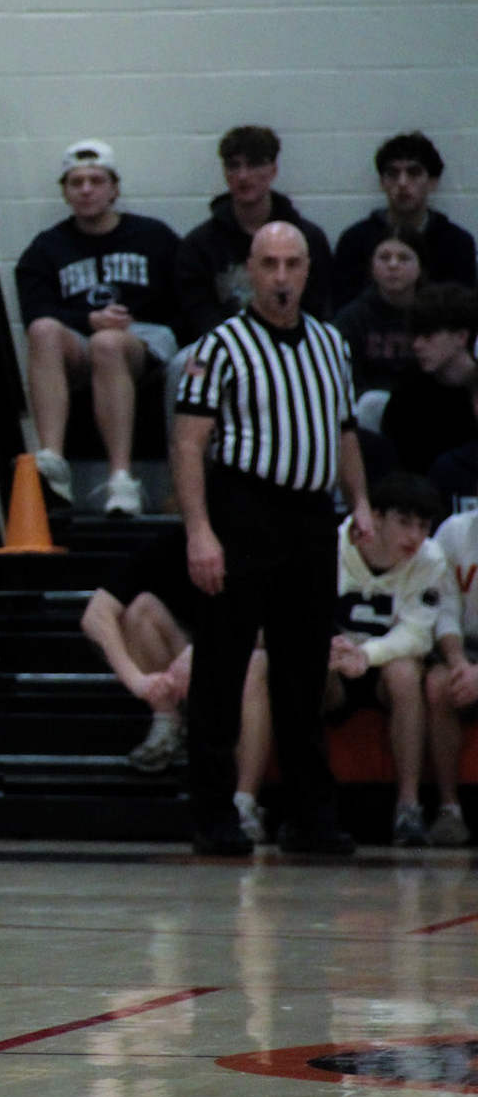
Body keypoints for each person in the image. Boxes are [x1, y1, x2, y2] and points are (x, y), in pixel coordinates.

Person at [174, 221, 370, 857]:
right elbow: (188, 443)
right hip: (244, 509)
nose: (281, 277)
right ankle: (214, 815)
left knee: (303, 670)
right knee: (223, 667)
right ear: (249, 272)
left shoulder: (331, 344)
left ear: (309, 269)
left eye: (292, 264)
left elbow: (344, 431)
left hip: (312, 517)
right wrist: (200, 531)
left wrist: (361, 503)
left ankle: (311, 817)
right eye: (269, 264)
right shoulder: (220, 347)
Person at [18, 140, 182, 514]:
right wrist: (86, 320)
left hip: (144, 337)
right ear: (65, 192)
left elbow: (183, 303)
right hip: (81, 339)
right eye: (76, 182)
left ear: (114, 189)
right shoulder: (46, 248)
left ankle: (121, 478)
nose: (86, 189)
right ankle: (53, 460)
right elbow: (33, 311)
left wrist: (130, 325)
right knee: (44, 330)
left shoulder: (155, 237)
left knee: (108, 343)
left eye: (96, 180)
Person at [78, 528, 275, 839]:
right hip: (184, 667)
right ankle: (168, 717)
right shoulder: (167, 546)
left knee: (258, 663)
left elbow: (283, 627)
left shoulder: (255, 550)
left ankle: (244, 801)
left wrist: (205, 651)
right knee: (139, 609)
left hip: (240, 666)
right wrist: (138, 681)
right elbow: (95, 616)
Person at [324, 473, 450, 846]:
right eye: (404, 522)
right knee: (302, 667)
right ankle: (306, 805)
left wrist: (367, 654)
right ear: (375, 516)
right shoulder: (332, 546)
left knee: (406, 672)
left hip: (379, 667)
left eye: (423, 526)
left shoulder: (430, 559)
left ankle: (408, 808)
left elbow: (417, 634)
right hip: (334, 665)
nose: (415, 536)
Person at [174, 126, 336, 347]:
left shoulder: (307, 238)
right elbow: (199, 315)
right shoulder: (198, 245)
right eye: (234, 166)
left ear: (273, 170)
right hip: (223, 347)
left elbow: (316, 306)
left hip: (294, 345)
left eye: (254, 164)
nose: (243, 176)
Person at [333, 132, 477, 308]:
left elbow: (463, 311)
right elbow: (343, 310)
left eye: (413, 172)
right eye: (393, 173)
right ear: (382, 183)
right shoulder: (355, 240)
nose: (402, 183)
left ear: (433, 182)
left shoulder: (457, 243)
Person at [379, 283, 478, 476]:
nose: (417, 345)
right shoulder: (408, 393)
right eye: (415, 335)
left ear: (461, 336)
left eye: (428, 335)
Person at [423, 505, 478, 845]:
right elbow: (444, 610)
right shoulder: (455, 532)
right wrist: (459, 663)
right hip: (465, 646)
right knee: (440, 683)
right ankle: (449, 809)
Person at [332, 232, 425, 400]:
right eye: (384, 257)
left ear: (420, 267)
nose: (393, 265)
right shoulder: (351, 319)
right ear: (372, 267)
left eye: (404, 258)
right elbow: (344, 379)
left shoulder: (434, 315)